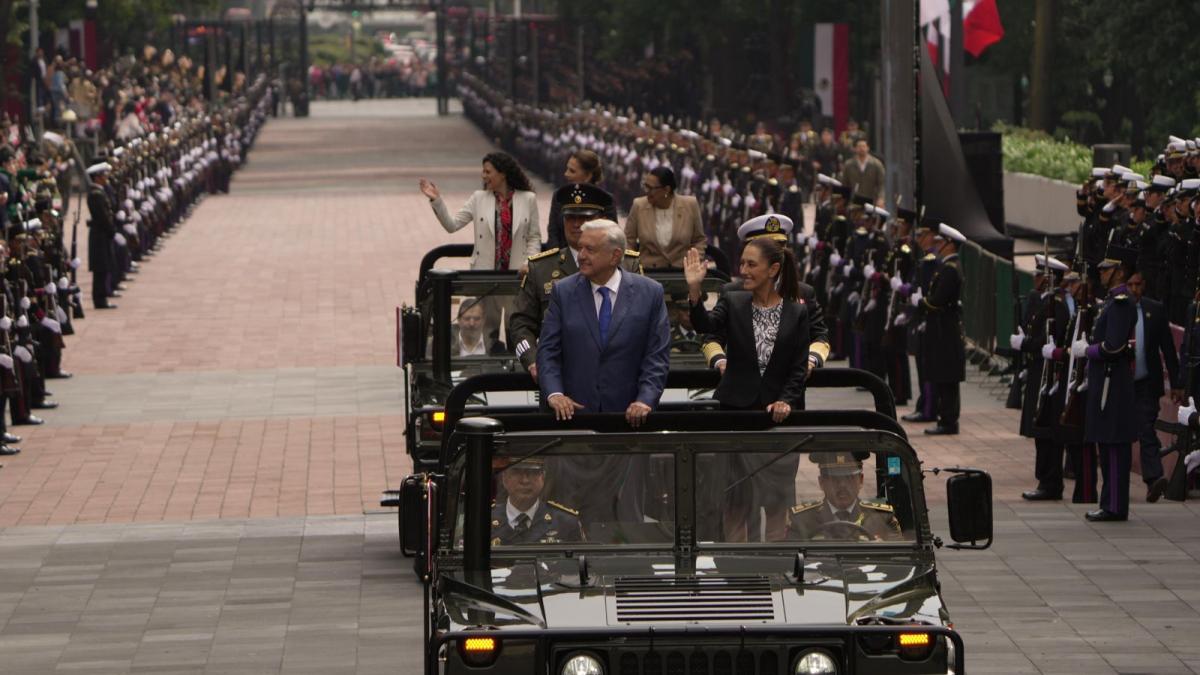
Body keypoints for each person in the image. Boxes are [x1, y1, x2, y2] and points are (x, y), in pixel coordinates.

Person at [684, 215, 812, 541]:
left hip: (778, 423)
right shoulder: (733, 300)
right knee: (735, 503)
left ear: (773, 270)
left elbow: (799, 367)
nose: (744, 270)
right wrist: (695, 290)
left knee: (776, 505)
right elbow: (707, 327)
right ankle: (737, 569)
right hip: (735, 416)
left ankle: (775, 572)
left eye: (752, 265)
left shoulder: (797, 312)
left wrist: (786, 399)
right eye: (742, 263)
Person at [536, 219, 671, 427]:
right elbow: (547, 352)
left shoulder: (650, 293)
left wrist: (645, 400)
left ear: (615, 256)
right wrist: (555, 394)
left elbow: (656, 357)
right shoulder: (563, 292)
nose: (581, 256)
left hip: (629, 420)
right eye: (580, 248)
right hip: (572, 418)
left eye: (589, 249)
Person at [508, 184, 640, 379]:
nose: (576, 224)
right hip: (559, 377)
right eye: (570, 217)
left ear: (601, 220)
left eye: (585, 218)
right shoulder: (541, 268)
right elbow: (520, 324)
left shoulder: (627, 263)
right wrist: (532, 360)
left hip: (618, 376)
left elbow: (643, 322)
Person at [1075, 248, 1139, 522]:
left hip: (1113, 382)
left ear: (1119, 272)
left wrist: (1087, 351)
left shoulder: (1121, 303)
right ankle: (1109, 501)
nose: (1100, 273)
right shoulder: (1111, 302)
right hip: (1106, 380)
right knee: (1107, 443)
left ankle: (1114, 505)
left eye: (1106, 269)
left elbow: (1113, 346)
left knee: (1113, 444)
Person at [418, 152, 541, 273]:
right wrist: (436, 200)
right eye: (483, 171)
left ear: (502, 174)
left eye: (488, 172)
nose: (483, 176)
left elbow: (534, 237)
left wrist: (529, 264)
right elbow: (452, 225)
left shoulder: (528, 199)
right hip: (483, 276)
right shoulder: (478, 198)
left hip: (518, 275)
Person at [1014, 256, 1071, 501]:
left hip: (1049, 374)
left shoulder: (1056, 304)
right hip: (1039, 370)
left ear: (1050, 279)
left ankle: (1050, 482)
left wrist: (1025, 344)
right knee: (1040, 429)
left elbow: (1050, 342)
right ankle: (1046, 480)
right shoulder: (1043, 301)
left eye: (1040, 275)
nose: (1035, 279)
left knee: (1046, 429)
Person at [1125, 270, 1181, 503]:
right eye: (1130, 285)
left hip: (1147, 382)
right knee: (1132, 430)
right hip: (1123, 383)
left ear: (1144, 285)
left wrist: (1177, 385)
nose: (1134, 290)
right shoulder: (1117, 308)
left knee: (1145, 426)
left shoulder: (1154, 310)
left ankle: (1154, 478)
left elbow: (1168, 348)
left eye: (1138, 285)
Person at [787, 452, 903, 541]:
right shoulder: (802, 520)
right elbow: (791, 563)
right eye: (835, 479)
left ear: (861, 481)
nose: (842, 485)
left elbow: (900, 562)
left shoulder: (882, 518)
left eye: (849, 478)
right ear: (822, 482)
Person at [918, 223, 966, 435]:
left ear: (950, 245)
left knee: (947, 377)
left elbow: (937, 300)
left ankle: (948, 420)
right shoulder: (947, 266)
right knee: (944, 375)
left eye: (941, 242)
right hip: (943, 328)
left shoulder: (950, 269)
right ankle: (945, 418)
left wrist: (921, 302)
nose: (938, 246)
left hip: (945, 329)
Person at [623, 166, 706, 269]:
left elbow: (699, 240)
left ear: (666, 189)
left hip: (682, 273)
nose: (646, 191)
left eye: (650, 188)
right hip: (648, 273)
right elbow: (627, 240)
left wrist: (694, 261)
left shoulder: (690, 205)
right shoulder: (639, 206)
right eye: (645, 186)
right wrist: (632, 266)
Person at [491, 457, 583, 545]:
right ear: (505, 479)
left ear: (542, 478)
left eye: (532, 473)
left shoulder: (565, 523)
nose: (525, 481)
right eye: (517, 473)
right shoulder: (484, 520)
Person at [544, 150, 617, 251]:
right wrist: (557, 260)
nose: (566, 174)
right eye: (567, 169)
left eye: (572, 171)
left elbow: (612, 237)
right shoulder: (559, 196)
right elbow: (553, 233)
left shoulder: (605, 200)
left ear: (588, 176)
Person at [85, 162, 118, 310]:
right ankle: (100, 299)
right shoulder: (95, 194)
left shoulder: (99, 191)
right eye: (103, 175)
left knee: (104, 266)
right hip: (100, 234)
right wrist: (111, 230)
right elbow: (103, 216)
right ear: (97, 177)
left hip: (101, 233)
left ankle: (102, 296)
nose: (106, 178)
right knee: (100, 267)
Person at [839, 138, 885, 206]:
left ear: (868, 148)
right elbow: (845, 183)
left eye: (864, 146)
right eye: (859, 147)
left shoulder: (876, 164)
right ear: (855, 149)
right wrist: (844, 198)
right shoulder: (849, 165)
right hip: (854, 200)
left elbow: (882, 183)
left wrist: (881, 198)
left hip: (872, 200)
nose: (861, 149)